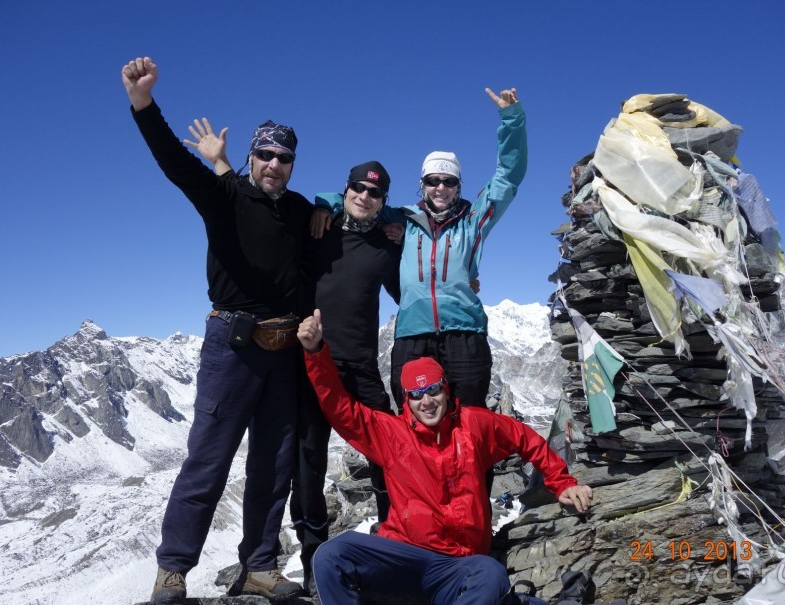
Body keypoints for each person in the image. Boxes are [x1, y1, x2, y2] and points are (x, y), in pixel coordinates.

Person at [121, 56, 308, 603]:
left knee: (273, 463)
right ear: (251, 157)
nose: (274, 164)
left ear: (292, 164)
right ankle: (173, 569)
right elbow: (174, 162)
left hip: (284, 350)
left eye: (284, 158)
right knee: (208, 459)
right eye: (266, 154)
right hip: (232, 345)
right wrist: (143, 103)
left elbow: (342, 212)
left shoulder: (301, 210)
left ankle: (259, 566)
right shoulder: (223, 196)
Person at [186, 120, 401, 595]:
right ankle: (314, 565)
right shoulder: (315, 225)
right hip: (313, 363)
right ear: (345, 190)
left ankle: (398, 543)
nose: (365, 196)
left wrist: (403, 228)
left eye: (375, 193)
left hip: (361, 368)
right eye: (358, 188)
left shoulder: (388, 245)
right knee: (306, 468)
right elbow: (262, 208)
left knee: (389, 455)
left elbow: (409, 291)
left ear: (384, 200)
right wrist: (324, 204)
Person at [297, 310, 592, 605]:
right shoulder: (390, 434)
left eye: (433, 389)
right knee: (330, 555)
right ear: (407, 399)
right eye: (416, 394)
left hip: (458, 567)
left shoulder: (474, 425)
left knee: (491, 574)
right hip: (404, 558)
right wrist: (315, 352)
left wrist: (561, 482)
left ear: (446, 389)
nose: (426, 401)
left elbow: (524, 437)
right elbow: (340, 409)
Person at [314, 87, 527, 414]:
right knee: (412, 422)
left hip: (464, 333)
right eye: (432, 181)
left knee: (470, 419)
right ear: (422, 184)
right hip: (412, 335)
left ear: (458, 185)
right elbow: (361, 203)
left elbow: (508, 178)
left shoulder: (473, 220)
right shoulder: (403, 218)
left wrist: (512, 120)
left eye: (449, 181)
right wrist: (325, 204)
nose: (440, 188)